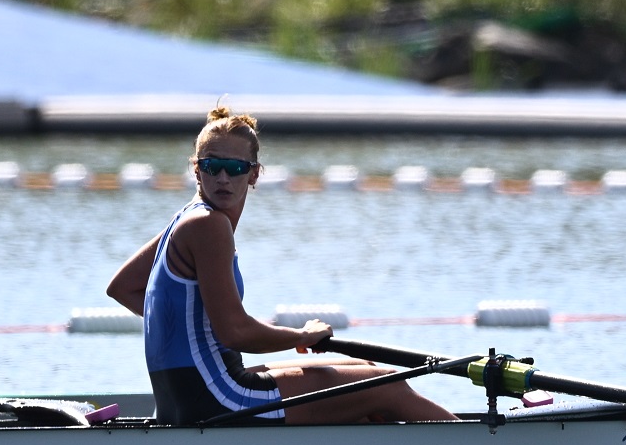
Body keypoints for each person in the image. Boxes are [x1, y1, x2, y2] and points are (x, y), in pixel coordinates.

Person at [107, 105, 456, 425]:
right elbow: (235, 332)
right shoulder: (208, 226)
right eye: (212, 167)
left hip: (189, 397)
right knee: (386, 385)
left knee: (361, 369)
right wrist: (300, 336)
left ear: (254, 174)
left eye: (235, 168)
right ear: (197, 170)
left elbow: (123, 287)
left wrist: (196, 331)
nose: (223, 178)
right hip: (217, 399)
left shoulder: (186, 219)